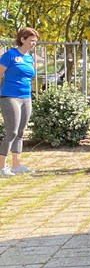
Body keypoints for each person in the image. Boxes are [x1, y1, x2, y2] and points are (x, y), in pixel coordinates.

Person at [0, 27, 40, 177]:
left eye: (35, 41)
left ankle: (16, 165)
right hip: (10, 96)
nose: (34, 44)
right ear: (22, 39)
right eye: (31, 40)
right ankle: (1, 167)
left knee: (21, 132)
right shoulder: (9, 55)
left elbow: (30, 75)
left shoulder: (30, 58)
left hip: (26, 97)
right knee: (12, 131)